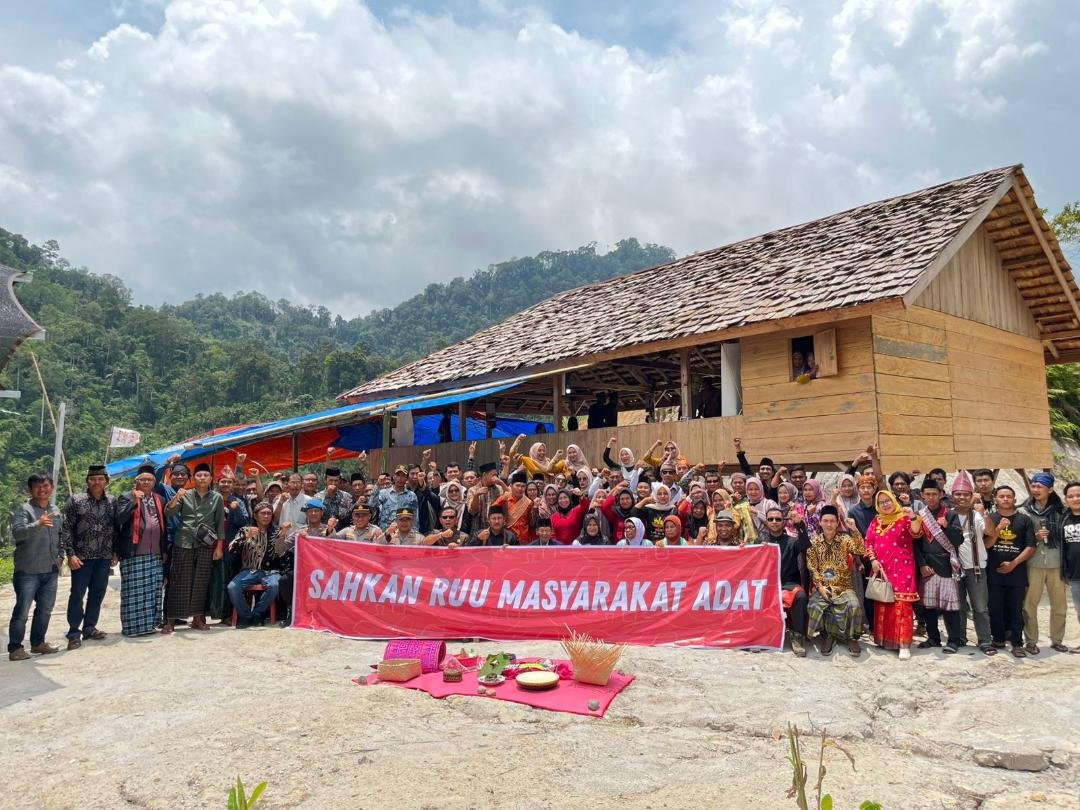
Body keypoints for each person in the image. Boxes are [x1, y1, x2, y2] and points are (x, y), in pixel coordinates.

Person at [163, 462, 224, 635]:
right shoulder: (185, 494)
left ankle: (198, 618)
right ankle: (171, 620)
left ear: (211, 478)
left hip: (205, 543)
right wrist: (176, 498)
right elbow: (169, 513)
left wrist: (218, 548)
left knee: (201, 582)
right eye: (199, 475)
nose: (202, 478)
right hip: (183, 541)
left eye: (206, 475)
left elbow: (219, 524)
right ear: (193, 478)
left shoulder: (216, 498)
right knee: (178, 581)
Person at [61, 464, 117, 650]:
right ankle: (74, 632)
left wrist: (115, 551)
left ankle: (89, 627)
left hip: (104, 556)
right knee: (77, 594)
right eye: (93, 479)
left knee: (98, 592)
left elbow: (115, 528)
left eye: (101, 479)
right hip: (82, 557)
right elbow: (66, 529)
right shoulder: (76, 501)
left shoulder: (112, 501)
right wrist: (71, 554)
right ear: (87, 481)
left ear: (106, 482)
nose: (97, 482)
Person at [8, 473, 63, 660]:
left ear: (52, 487)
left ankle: (38, 643)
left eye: (46, 485)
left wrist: (61, 556)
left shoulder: (55, 510)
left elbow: (60, 536)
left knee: (45, 609)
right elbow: (18, 533)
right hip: (28, 570)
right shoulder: (24, 510)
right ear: (30, 490)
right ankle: (15, 648)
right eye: (37, 486)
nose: (42, 489)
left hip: (50, 568)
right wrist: (38, 524)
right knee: (22, 611)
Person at [864, 490, 922, 660]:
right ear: (877, 505)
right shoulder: (876, 520)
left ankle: (904, 645)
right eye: (881, 502)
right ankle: (884, 640)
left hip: (902, 569)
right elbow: (869, 541)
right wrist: (873, 560)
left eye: (888, 501)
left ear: (893, 501)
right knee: (884, 603)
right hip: (882, 569)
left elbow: (916, 532)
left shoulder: (904, 517)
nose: (885, 505)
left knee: (902, 606)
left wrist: (912, 516)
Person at [114, 464, 168, 638]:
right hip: (134, 553)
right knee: (133, 592)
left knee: (152, 591)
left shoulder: (159, 499)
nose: (146, 482)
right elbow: (120, 519)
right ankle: (132, 628)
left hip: (155, 554)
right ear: (136, 481)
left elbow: (163, 526)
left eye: (150, 479)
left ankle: (150, 624)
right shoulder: (126, 497)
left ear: (154, 482)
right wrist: (134, 502)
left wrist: (164, 550)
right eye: (142, 479)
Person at [805, 506, 867, 657]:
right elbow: (812, 568)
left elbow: (860, 550)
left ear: (837, 522)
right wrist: (820, 588)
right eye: (825, 521)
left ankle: (851, 637)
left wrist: (854, 529)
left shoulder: (845, 539)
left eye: (832, 521)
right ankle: (827, 635)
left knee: (854, 605)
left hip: (844, 587)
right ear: (820, 522)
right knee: (814, 605)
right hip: (823, 587)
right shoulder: (814, 542)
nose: (828, 524)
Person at [1019, 471, 1069, 654]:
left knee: (1060, 605)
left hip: (1057, 563)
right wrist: (1035, 536)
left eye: (1040, 486)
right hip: (1033, 563)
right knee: (1029, 604)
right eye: (1033, 486)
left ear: (1050, 489)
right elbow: (1020, 537)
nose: (1036, 490)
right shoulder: (1024, 511)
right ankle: (1031, 641)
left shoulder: (1062, 511)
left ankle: (1057, 640)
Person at [913, 478, 964, 653]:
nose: (931, 497)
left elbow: (959, 540)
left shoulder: (950, 514)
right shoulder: (920, 516)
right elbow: (916, 543)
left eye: (935, 494)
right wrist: (921, 564)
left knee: (949, 605)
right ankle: (933, 638)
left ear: (941, 494)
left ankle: (954, 640)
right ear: (922, 495)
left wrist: (947, 527)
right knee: (928, 605)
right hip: (928, 564)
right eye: (928, 494)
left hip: (946, 564)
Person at [948, 471, 996, 654]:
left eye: (965, 494)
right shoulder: (948, 515)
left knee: (980, 607)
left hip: (976, 569)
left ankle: (984, 640)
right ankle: (959, 638)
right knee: (958, 606)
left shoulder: (977, 515)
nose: (961, 497)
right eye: (958, 494)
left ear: (971, 495)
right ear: (952, 496)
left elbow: (991, 532)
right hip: (954, 569)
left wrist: (983, 514)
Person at [986, 485, 1036, 657]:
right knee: (995, 608)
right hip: (993, 572)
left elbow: (1030, 547)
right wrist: (998, 528)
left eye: (1009, 496)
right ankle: (998, 639)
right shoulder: (990, 519)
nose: (1005, 499)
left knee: (1016, 609)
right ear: (995, 500)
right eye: (1002, 496)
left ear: (1014, 499)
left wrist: (1014, 563)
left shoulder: (1025, 520)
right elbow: (986, 545)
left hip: (1017, 573)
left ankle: (1017, 643)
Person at [227, 501, 290, 628]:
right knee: (232, 587)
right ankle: (246, 616)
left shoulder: (277, 531)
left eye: (269, 513)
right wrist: (245, 537)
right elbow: (231, 549)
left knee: (274, 585)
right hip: (249, 571)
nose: (266, 516)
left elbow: (280, 553)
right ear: (256, 516)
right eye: (263, 513)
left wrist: (282, 536)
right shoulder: (245, 530)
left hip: (271, 572)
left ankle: (258, 613)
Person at [764, 506, 811, 657]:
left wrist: (799, 524)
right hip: (767, 584)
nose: (774, 522)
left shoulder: (791, 541)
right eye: (771, 519)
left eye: (778, 519)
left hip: (788, 583)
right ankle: (762, 634)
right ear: (766, 521)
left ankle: (797, 636)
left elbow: (805, 545)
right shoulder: (760, 541)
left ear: (784, 522)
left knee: (801, 597)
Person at [1060, 481, 1080, 653]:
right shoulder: (1064, 519)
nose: (1075, 498)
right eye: (1071, 496)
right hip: (1075, 574)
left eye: (1078, 495)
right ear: (1066, 500)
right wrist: (1064, 571)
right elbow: (1063, 548)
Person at [493, 471, 534, 544]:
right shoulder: (504, 499)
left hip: (523, 539)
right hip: (507, 538)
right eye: (517, 485)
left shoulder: (529, 503)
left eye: (523, 486)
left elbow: (531, 522)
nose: (520, 488)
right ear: (511, 486)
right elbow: (492, 512)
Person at [377, 465, 419, 532]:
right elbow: (371, 506)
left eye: (403, 476)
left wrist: (414, 534)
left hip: (404, 534)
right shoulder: (384, 493)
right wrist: (377, 485)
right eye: (398, 475)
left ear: (407, 479)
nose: (400, 478)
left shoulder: (412, 496)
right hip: (386, 533)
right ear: (394, 477)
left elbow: (415, 518)